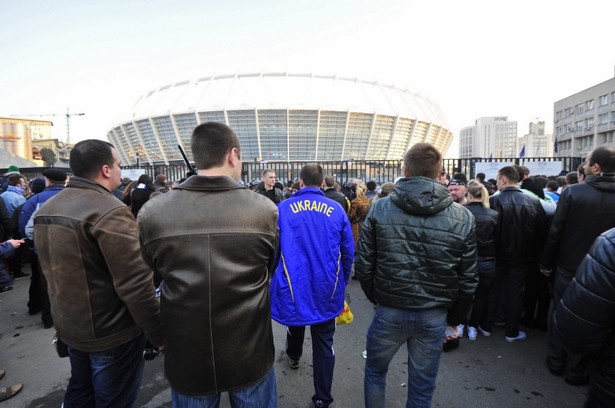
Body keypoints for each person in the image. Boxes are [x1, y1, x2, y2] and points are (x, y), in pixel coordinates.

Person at [138, 122, 279, 408]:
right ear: (232, 155)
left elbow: (151, 275)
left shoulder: (153, 212)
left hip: (187, 353)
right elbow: (269, 269)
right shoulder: (263, 210)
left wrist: (157, 335)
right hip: (249, 349)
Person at [34, 139, 162, 408]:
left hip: (73, 328)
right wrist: (158, 333)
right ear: (106, 169)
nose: (120, 171)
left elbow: (52, 272)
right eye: (117, 165)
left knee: (80, 393)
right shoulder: (109, 211)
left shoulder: (47, 209)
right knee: (113, 399)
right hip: (112, 333)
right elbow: (136, 283)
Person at [355, 143, 478, 408]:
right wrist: (454, 319)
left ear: (405, 170)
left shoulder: (380, 208)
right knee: (422, 387)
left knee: (376, 373)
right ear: (440, 173)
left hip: (390, 308)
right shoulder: (463, 217)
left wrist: (378, 298)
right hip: (433, 313)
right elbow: (468, 279)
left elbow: (364, 264)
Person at [270, 163, 354, 408]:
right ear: (322, 183)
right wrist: (343, 280)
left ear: (301, 182)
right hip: (326, 285)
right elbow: (348, 252)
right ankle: (322, 397)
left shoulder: (283, 209)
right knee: (324, 342)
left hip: (293, 282)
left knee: (295, 322)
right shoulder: (336, 209)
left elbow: (273, 250)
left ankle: (294, 355)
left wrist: (273, 277)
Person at [540, 146, 615, 386]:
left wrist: (546, 263)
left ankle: (555, 361)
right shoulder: (573, 191)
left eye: (586, 161)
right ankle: (577, 370)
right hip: (606, 273)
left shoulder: (573, 192)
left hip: (569, 266)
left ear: (596, 167)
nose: (582, 165)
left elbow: (556, 232)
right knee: (595, 319)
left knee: (560, 311)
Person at [553, 228, 615, 407]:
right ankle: (574, 371)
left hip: (609, 378)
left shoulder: (610, 242)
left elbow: (576, 331)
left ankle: (556, 362)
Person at [489, 166, 548, 343]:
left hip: (497, 254)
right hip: (522, 256)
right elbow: (543, 231)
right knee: (515, 292)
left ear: (503, 180)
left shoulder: (493, 201)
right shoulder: (533, 201)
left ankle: (491, 323)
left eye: (498, 179)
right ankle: (511, 331)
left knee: (495, 288)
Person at [18, 168, 67, 327]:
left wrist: (33, 243)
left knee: (45, 282)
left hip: (44, 249)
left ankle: (48, 319)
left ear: (48, 181)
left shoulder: (36, 199)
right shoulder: (74, 197)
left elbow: (24, 226)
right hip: (70, 248)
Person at [463, 180, 498, 341]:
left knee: (462, 294)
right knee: (482, 295)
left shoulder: (461, 212)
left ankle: (460, 323)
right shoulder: (493, 214)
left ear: (468, 194)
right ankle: (473, 327)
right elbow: (498, 239)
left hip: (464, 259)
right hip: (487, 260)